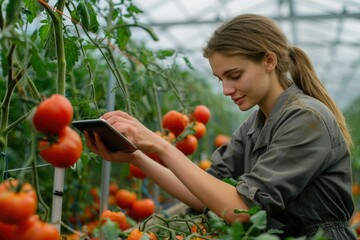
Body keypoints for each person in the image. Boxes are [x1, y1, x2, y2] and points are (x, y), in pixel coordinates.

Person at [84, 14, 357, 239]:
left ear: (269, 61)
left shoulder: (306, 118)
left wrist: (159, 144)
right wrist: (136, 156)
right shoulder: (255, 123)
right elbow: (203, 194)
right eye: (220, 79)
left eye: (235, 75)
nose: (227, 89)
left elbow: (240, 208)